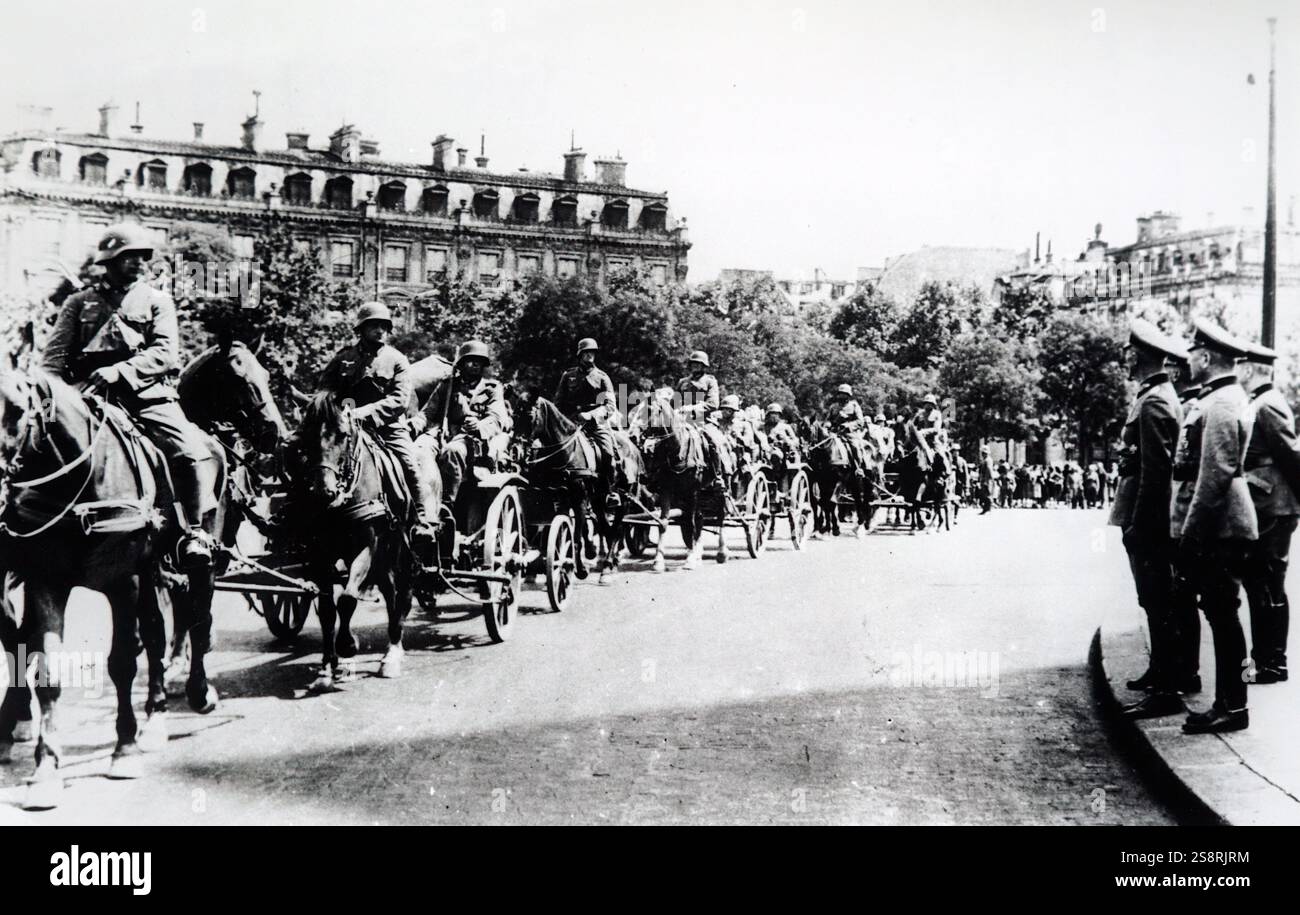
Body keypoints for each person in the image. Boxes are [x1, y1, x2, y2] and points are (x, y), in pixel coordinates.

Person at [42, 223, 218, 568]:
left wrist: (119, 371)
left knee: (188, 451)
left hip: (146, 397)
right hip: (87, 397)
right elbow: (54, 358)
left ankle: (194, 532)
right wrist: (52, 400)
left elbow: (165, 353)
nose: (139, 263)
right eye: (129, 257)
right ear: (109, 261)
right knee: (36, 444)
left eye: (142, 257)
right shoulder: (79, 303)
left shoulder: (157, 301)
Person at [1171, 318, 1258, 734]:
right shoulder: (1221, 397)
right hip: (1221, 524)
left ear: (1206, 357)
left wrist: (1191, 534)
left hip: (1219, 527)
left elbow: (1215, 474)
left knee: (1225, 619)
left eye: (1192, 352)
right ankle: (1229, 702)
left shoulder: (1221, 403)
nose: (1187, 360)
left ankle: (1234, 705)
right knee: (1223, 616)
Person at [1110, 319, 1187, 720]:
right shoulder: (1155, 395)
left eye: (1127, 351)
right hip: (1148, 518)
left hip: (1150, 521)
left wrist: (1141, 524)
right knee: (1154, 599)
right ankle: (1160, 672)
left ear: (1136, 355)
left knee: (1158, 600)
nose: (1124, 356)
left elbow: (1156, 473)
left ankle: (1166, 690)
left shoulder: (1155, 400)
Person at [318, 302, 435, 534]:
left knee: (409, 464)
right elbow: (325, 392)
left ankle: (422, 520)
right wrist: (340, 411)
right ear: (361, 329)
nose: (380, 330)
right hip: (345, 428)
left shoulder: (397, 360)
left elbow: (399, 401)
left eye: (384, 326)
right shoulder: (343, 358)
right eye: (374, 326)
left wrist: (363, 413)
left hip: (387, 429)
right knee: (312, 458)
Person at [1238, 341, 1300, 684]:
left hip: (1274, 507)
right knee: (1262, 582)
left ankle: (1273, 661)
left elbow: (1290, 455)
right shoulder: (1258, 402)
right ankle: (1267, 659)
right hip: (1266, 504)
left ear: (1250, 369)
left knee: (1269, 583)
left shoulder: (1267, 404)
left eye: (1240, 366)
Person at [417, 340, 511, 511]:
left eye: (479, 361)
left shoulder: (492, 389)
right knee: (419, 448)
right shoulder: (447, 385)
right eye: (470, 360)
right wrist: (414, 424)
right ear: (461, 363)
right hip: (441, 433)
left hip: (471, 440)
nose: (475, 364)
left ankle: (446, 504)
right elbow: (427, 413)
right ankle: (421, 502)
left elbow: (496, 418)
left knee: (453, 451)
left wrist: (479, 425)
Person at [554, 337, 619, 490]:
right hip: (570, 424)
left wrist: (591, 415)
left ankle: (609, 491)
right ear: (580, 354)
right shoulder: (568, 376)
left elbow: (610, 406)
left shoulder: (603, 377)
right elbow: (558, 403)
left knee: (608, 453)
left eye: (592, 352)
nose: (590, 355)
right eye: (586, 352)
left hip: (595, 425)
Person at [828, 383, 870, 476]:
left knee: (855, 447)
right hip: (834, 433)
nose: (841, 396)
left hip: (850, 434)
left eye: (844, 394)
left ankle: (858, 468)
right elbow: (828, 420)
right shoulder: (833, 407)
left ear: (848, 395)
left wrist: (848, 425)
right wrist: (828, 425)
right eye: (840, 394)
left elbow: (860, 421)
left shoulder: (854, 405)